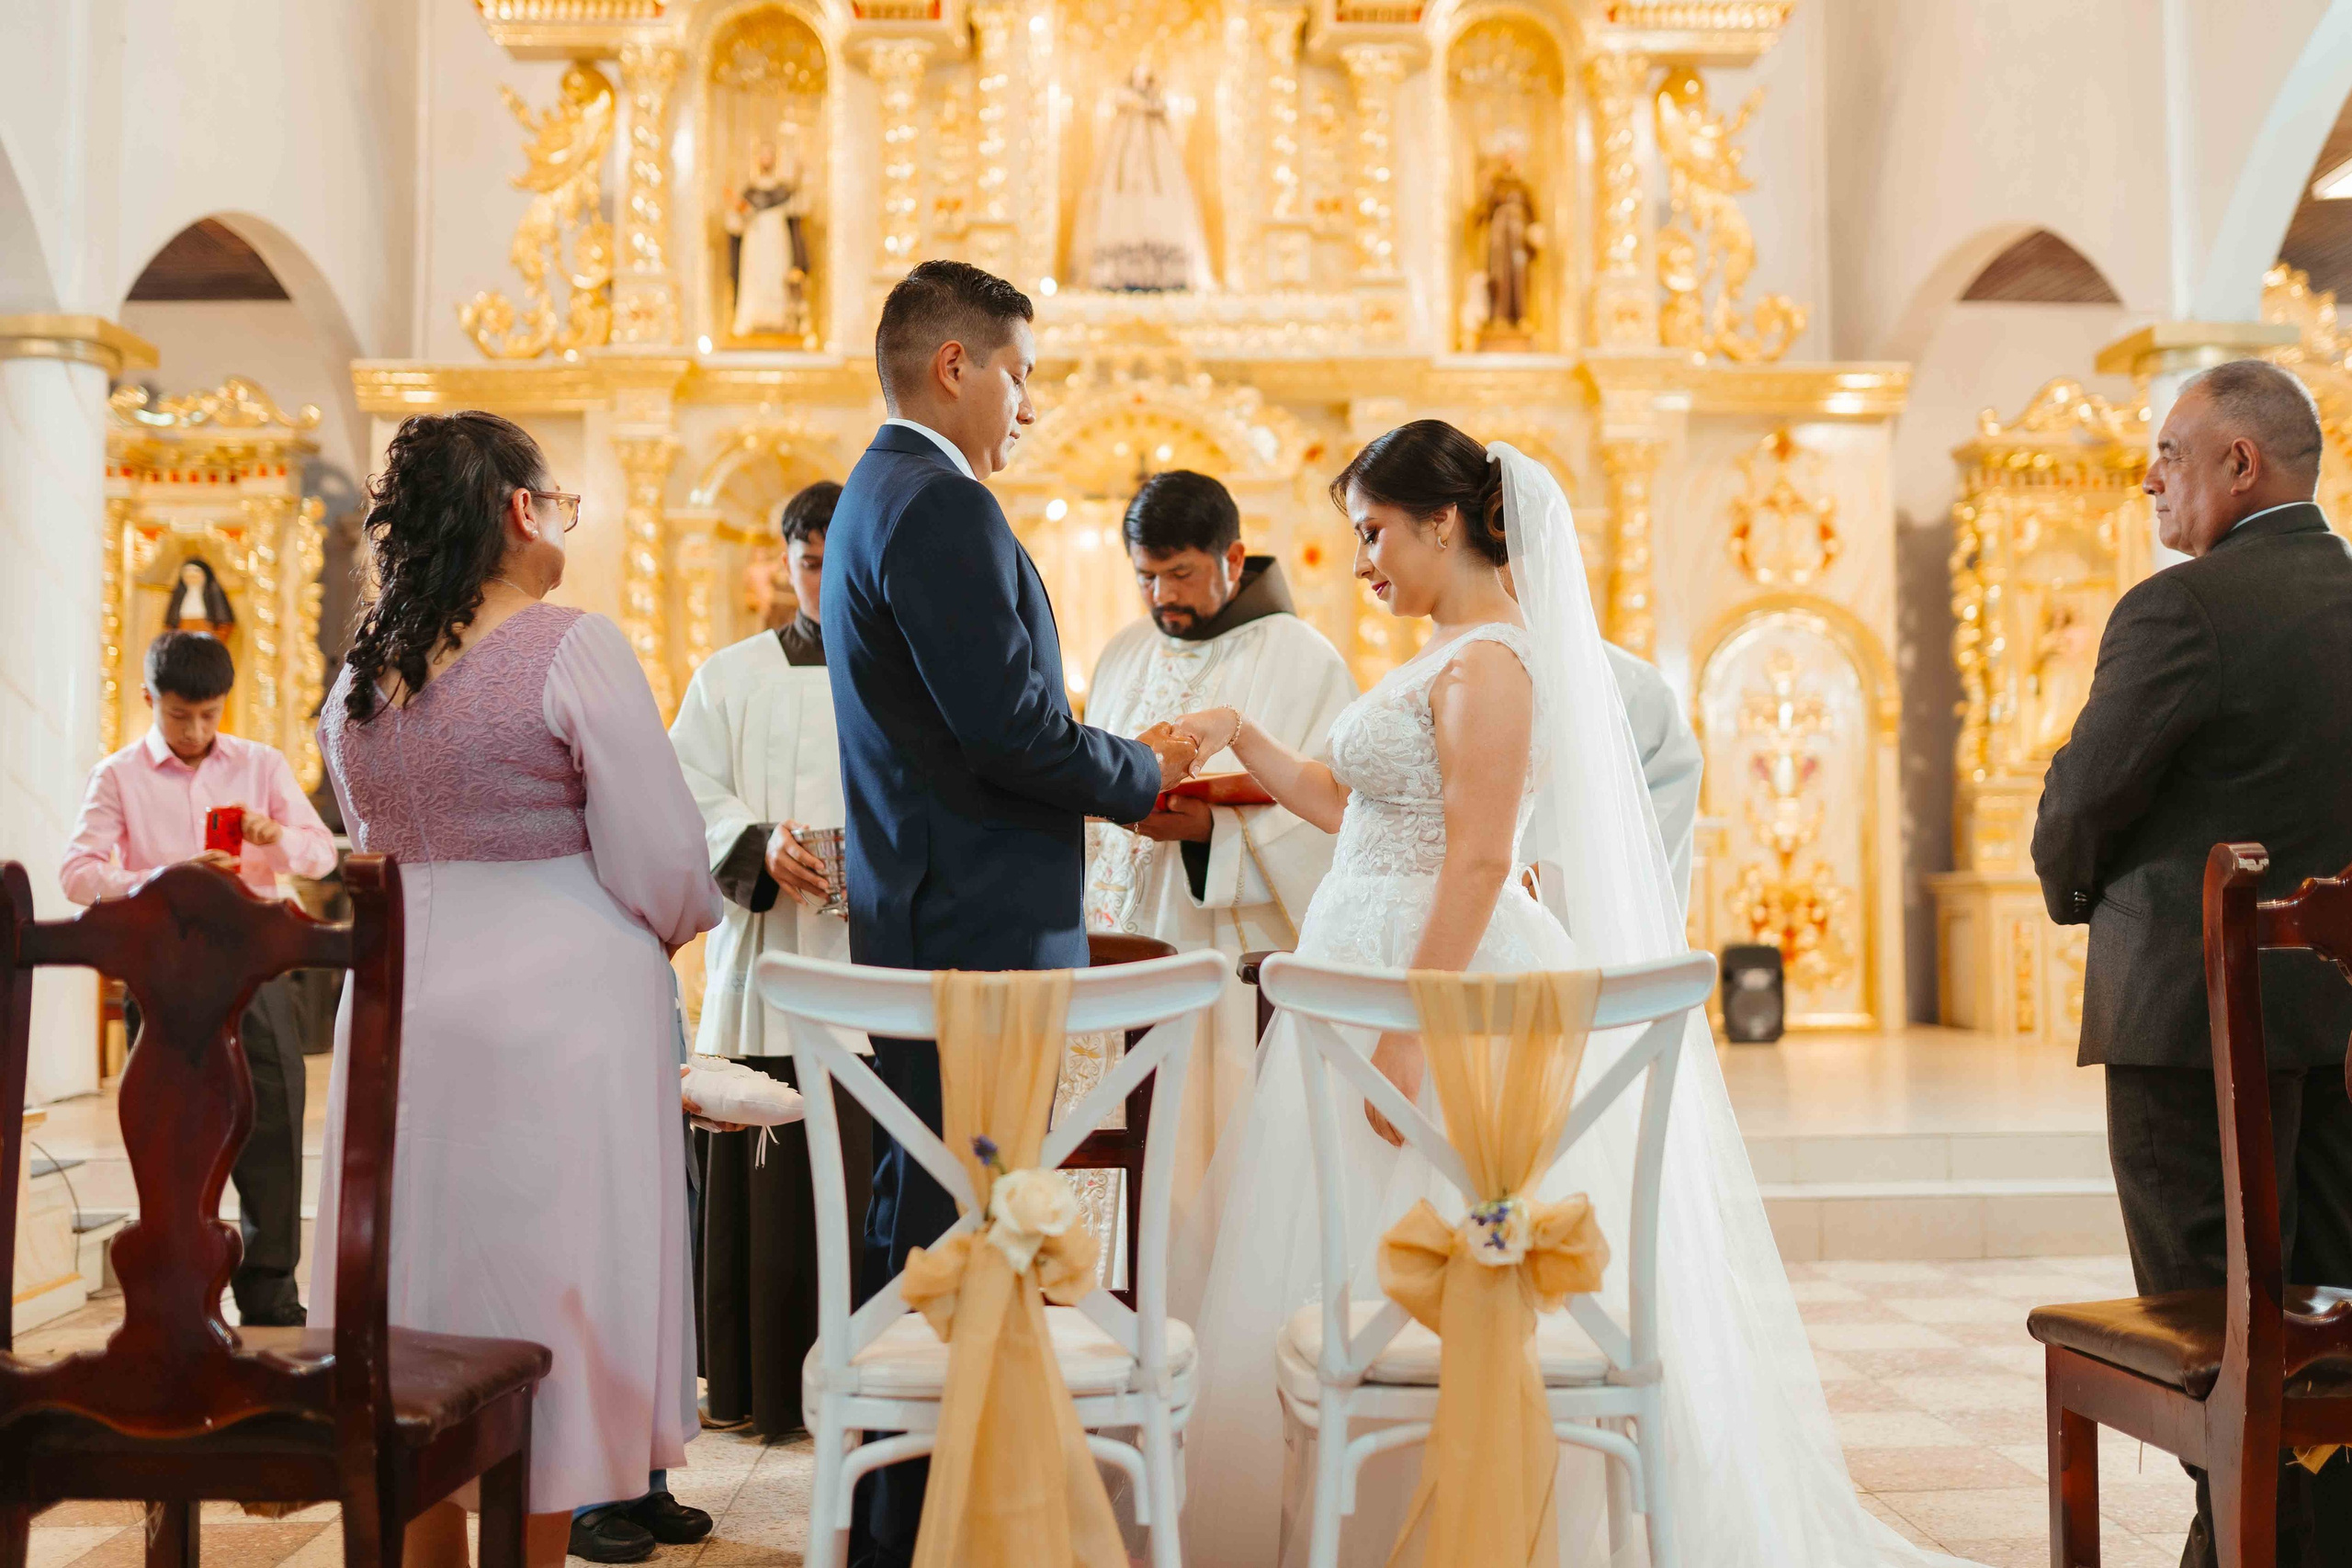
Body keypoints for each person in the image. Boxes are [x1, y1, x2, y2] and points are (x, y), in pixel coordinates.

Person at [1168, 422, 1961, 1567]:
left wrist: (1414, 1029)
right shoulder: (1443, 651)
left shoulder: (1493, 663)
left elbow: (1481, 858)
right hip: (1364, 968)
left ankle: (1458, 1520)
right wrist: (1239, 732)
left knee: (1435, 1229)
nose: (1363, 561)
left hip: (1437, 986)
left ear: (1444, 521)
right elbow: (1348, 806)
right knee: (1343, 1239)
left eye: (1375, 533)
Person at [821, 258, 1198, 1568]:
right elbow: (1012, 730)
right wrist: (1142, 770)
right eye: (1021, 375)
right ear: (955, 365)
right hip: (975, 925)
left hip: (932, 908)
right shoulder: (940, 504)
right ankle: (942, 1525)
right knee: (963, 1222)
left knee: (938, 1211)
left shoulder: (878, 493)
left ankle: (916, 1518)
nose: (1030, 407)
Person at [311, 411, 724, 1568]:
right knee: (546, 1301)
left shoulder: (361, 675)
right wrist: (664, 932)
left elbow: (366, 837)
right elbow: (664, 856)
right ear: (517, 511)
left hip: (396, 997)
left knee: (415, 1294)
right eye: (560, 506)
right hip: (558, 1009)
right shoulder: (568, 647)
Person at [2032, 357, 2352, 1568]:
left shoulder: (2182, 609)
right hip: (2343, 1032)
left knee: (2215, 1333)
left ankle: (2252, 1547)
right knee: (2325, 1333)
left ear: (2241, 463)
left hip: (2192, 1023)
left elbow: (2085, 795)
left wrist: (2074, 894)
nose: (2149, 476)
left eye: (2169, 452)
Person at [1084, 469, 1355, 1210]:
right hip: (1116, 940)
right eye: (1145, 576)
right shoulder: (1124, 650)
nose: (1160, 596)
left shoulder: (1303, 657)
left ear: (1232, 558)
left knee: (1207, 1153)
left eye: (1180, 574)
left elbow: (1336, 817)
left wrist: (1210, 831)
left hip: (1223, 954)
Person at [668, 479, 874, 1438]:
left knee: (861, 1167)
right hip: (764, 962)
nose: (825, 582)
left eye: (843, 563)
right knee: (770, 1177)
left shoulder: (904, 671)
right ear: (784, 562)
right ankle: (761, 1386)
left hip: (870, 966)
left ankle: (871, 1382)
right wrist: (755, 841)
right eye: (809, 563)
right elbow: (682, 787)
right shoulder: (731, 676)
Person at [61, 629, 334, 1326]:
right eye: (179, 714)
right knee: (172, 1133)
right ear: (149, 698)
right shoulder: (118, 775)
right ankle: (180, 1294)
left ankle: (270, 1297)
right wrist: (166, 877)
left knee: (274, 1125)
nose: (194, 730)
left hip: (254, 965)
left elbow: (321, 856)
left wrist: (275, 837)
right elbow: (78, 874)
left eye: (209, 714)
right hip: (164, 972)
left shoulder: (261, 765)